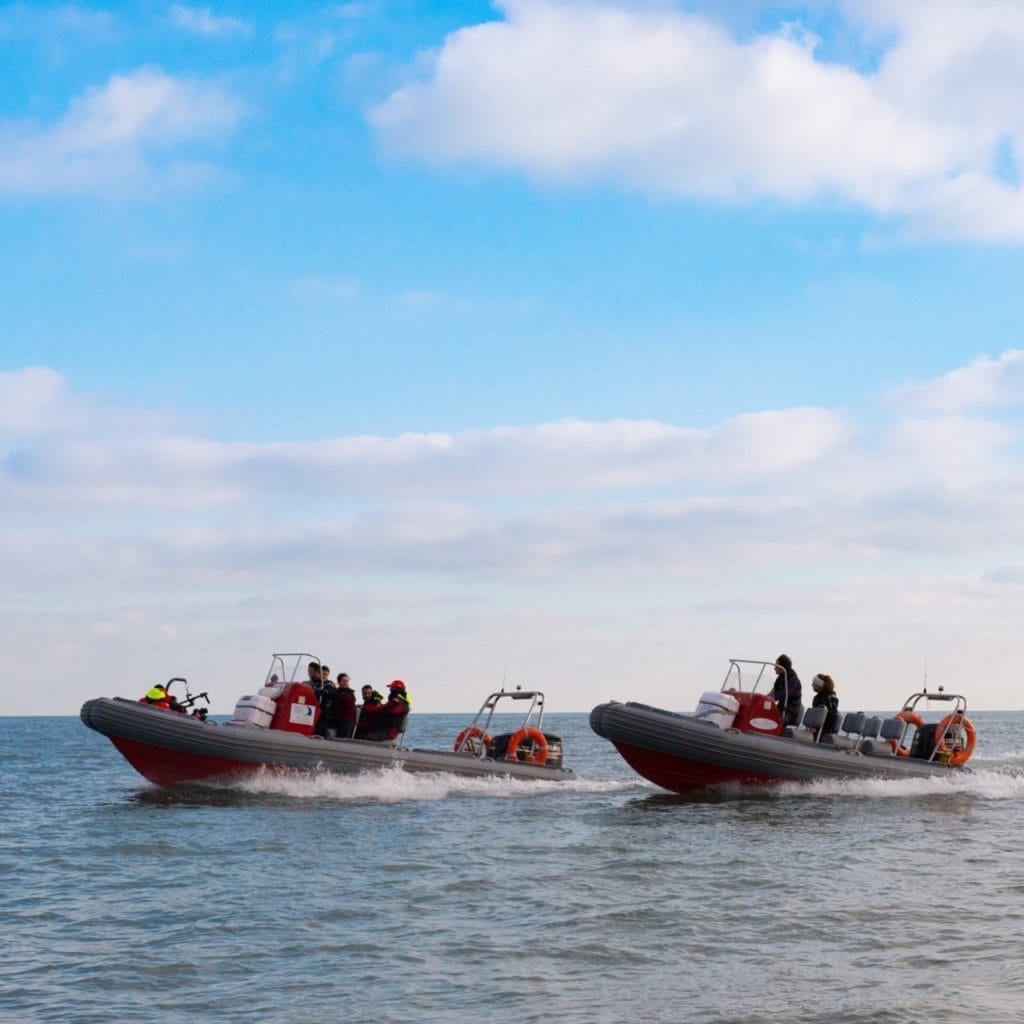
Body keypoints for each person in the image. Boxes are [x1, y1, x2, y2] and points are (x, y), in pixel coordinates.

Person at [772, 654, 803, 727]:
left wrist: (772, 698)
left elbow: (784, 693)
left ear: (782, 667)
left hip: (790, 710)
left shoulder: (793, 679)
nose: (774, 668)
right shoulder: (780, 678)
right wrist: (762, 698)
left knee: (775, 720)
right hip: (781, 707)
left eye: (776, 666)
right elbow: (773, 692)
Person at [810, 674, 839, 738]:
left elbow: (831, 717)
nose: (812, 685)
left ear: (819, 684)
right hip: (817, 728)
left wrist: (818, 730)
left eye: (814, 683)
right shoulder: (817, 698)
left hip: (826, 730)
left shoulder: (831, 698)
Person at [333, 673, 357, 739]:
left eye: (347, 681)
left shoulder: (351, 693)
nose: (345, 683)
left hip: (349, 721)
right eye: (344, 681)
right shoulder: (336, 693)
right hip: (340, 720)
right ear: (339, 682)